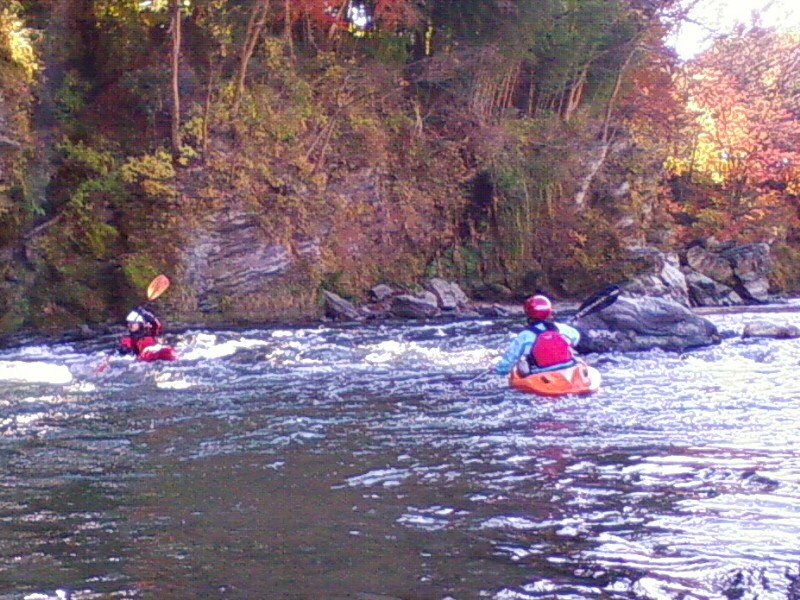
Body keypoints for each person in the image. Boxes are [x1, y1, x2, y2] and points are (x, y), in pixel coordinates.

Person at [495, 294, 581, 376]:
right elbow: (576, 338)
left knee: (521, 365)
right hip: (567, 366)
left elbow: (509, 360)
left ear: (528, 314)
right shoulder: (562, 328)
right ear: (549, 312)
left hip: (538, 373)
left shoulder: (524, 335)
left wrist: (498, 370)